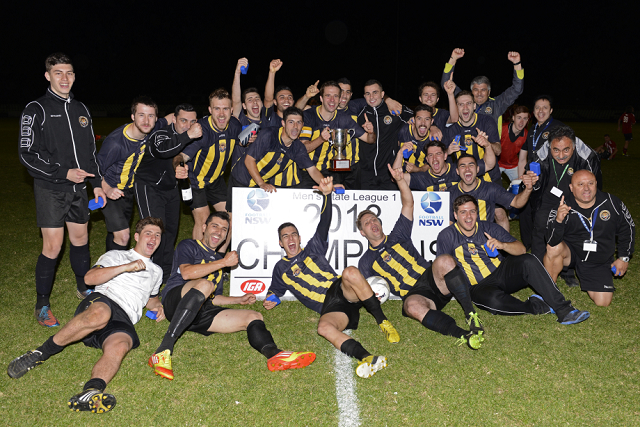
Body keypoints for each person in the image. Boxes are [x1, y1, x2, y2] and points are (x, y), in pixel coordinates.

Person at [7, 217, 165, 413]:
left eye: (157, 235)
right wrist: (126, 267)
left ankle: (91, 391)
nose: (153, 238)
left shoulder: (157, 272)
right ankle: (40, 353)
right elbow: (90, 278)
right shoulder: (116, 256)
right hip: (103, 301)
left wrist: (159, 306)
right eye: (148, 233)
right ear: (137, 236)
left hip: (125, 317)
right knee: (101, 314)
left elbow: (151, 299)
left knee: (122, 344)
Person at [148, 212, 315, 380]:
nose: (219, 232)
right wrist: (223, 263)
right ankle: (163, 350)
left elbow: (213, 297)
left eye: (224, 229)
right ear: (204, 228)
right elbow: (186, 273)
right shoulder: (189, 246)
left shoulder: (219, 260)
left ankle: (274, 354)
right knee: (206, 284)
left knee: (254, 316)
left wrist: (238, 299)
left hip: (199, 312)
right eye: (215, 226)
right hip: (175, 301)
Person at [264, 177, 399, 378]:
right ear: (280, 243)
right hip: (330, 308)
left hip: (339, 289)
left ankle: (383, 321)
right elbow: (275, 291)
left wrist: (327, 196)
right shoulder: (280, 268)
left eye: (293, 234)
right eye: (285, 236)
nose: (290, 238)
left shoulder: (313, 248)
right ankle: (369, 358)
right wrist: (271, 299)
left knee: (350, 272)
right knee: (323, 328)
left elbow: (324, 222)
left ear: (299, 238)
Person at [19, 52, 106, 327]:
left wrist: (98, 185)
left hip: (79, 188)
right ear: (48, 76)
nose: (64, 78)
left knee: (80, 240)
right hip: (51, 188)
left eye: (69, 73)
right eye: (58, 73)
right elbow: (26, 154)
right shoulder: (36, 109)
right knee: (53, 246)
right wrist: (62, 172)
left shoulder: (81, 109)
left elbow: (91, 154)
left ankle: (84, 288)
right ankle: (42, 304)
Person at [358, 164, 486, 350]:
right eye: (367, 223)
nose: (373, 223)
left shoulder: (397, 235)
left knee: (444, 260)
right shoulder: (366, 261)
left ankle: (471, 315)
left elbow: (408, 203)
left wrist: (401, 181)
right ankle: (463, 335)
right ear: (362, 232)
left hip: (431, 278)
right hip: (415, 294)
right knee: (411, 308)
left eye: (374, 219)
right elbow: (364, 289)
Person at [436, 195, 590, 324]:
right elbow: (443, 268)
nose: (468, 217)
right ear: (455, 215)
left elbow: (521, 249)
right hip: (478, 286)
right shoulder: (447, 236)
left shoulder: (489, 227)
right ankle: (537, 306)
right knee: (494, 303)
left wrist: (502, 245)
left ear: (477, 213)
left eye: (472, 211)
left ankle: (564, 310)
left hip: (501, 273)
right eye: (463, 212)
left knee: (528, 260)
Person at [544, 170, 635, 306]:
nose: (586, 188)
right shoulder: (562, 206)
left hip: (598, 260)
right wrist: (558, 220)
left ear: (596, 184)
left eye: (590, 183)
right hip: (572, 253)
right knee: (554, 248)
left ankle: (586, 274)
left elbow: (628, 228)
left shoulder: (612, 202)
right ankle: (549, 292)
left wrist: (623, 258)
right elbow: (551, 240)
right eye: (580, 184)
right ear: (571, 188)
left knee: (603, 302)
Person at [134, 104, 203, 283]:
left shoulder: (194, 138)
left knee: (170, 231)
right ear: (174, 119)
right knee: (153, 231)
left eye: (192, 121)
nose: (188, 125)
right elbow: (164, 150)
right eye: (183, 121)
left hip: (171, 188)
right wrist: (188, 135)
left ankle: (165, 272)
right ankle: (149, 273)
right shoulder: (161, 134)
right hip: (150, 186)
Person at [98, 96, 166, 252]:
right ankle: (115, 272)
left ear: (156, 118)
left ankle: (110, 266)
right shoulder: (116, 143)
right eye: (141, 115)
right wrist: (107, 189)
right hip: (111, 189)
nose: (146, 121)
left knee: (117, 233)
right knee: (123, 236)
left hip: (128, 192)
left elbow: (168, 120)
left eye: (151, 116)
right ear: (133, 116)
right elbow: (95, 170)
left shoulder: (150, 128)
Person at [527, 125, 602, 266]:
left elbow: (594, 186)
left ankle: (567, 269)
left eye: (566, 150)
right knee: (540, 226)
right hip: (547, 198)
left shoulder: (587, 157)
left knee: (571, 231)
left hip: (574, 199)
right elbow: (533, 180)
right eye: (556, 150)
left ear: (573, 147)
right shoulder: (540, 155)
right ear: (550, 147)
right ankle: (535, 266)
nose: (561, 156)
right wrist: (531, 181)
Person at [227, 107, 325, 212]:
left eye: (299, 122)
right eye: (291, 122)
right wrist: (262, 183)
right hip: (240, 180)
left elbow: (312, 170)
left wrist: (324, 184)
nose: (295, 127)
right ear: (283, 123)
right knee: (234, 220)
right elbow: (249, 160)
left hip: (259, 186)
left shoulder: (298, 147)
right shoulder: (269, 135)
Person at [179, 89, 240, 246]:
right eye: (217, 108)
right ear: (210, 110)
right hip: (195, 180)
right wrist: (178, 166)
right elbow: (181, 156)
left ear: (231, 110)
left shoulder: (235, 126)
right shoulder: (201, 131)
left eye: (225, 108)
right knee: (204, 220)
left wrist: (249, 138)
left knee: (231, 219)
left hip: (216, 180)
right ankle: (198, 263)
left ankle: (218, 260)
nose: (221, 114)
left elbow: (242, 140)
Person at [298, 81, 376, 187]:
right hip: (307, 171)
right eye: (328, 96)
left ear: (339, 100)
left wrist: (371, 132)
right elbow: (303, 148)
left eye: (335, 96)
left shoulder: (344, 119)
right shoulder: (309, 116)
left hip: (329, 172)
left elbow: (369, 139)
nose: (332, 100)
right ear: (321, 98)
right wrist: (321, 139)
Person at [517, 95, 566, 250]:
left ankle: (545, 246)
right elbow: (525, 151)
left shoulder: (558, 128)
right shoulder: (532, 129)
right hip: (530, 178)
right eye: (538, 107)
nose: (541, 110)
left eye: (545, 107)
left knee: (542, 213)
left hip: (548, 179)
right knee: (524, 212)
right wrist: (521, 175)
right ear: (534, 111)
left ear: (551, 110)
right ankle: (527, 246)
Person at [442, 48, 524, 135]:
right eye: (476, 90)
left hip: (490, 146)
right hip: (465, 146)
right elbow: (446, 84)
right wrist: (453, 59)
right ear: (471, 92)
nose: (479, 93)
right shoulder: (464, 101)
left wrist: (517, 64)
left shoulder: (497, 104)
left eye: (483, 90)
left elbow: (517, 89)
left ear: (489, 92)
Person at [447, 153, 535, 230]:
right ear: (457, 171)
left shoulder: (490, 188)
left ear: (478, 169)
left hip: (485, 240)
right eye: (463, 166)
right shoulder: (451, 193)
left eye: (471, 165)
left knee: (519, 249)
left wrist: (528, 189)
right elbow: (448, 223)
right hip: (461, 242)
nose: (467, 169)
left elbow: (517, 202)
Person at [357, 80, 413, 190]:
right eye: (368, 94)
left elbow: (419, 116)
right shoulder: (361, 115)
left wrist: (434, 126)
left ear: (382, 94)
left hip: (389, 174)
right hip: (366, 175)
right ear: (364, 96)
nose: (371, 97)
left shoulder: (394, 110)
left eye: (375, 92)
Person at [231, 58, 281, 128]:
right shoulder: (240, 120)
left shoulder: (267, 119)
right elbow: (236, 101)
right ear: (244, 106)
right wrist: (237, 73)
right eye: (250, 100)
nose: (255, 102)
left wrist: (272, 72)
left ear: (262, 104)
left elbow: (269, 99)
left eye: (257, 99)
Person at [396, 104, 435, 175]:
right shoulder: (403, 130)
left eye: (427, 119)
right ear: (413, 120)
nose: (423, 123)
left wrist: (417, 169)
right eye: (419, 118)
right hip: (399, 175)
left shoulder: (433, 140)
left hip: (419, 178)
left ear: (431, 122)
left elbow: (432, 164)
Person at [499, 105, 529, 182]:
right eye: (519, 118)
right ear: (513, 118)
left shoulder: (526, 135)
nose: (521, 122)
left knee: (519, 185)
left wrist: (520, 178)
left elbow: (522, 159)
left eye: (524, 118)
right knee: (493, 187)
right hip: (497, 163)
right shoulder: (501, 129)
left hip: (512, 165)